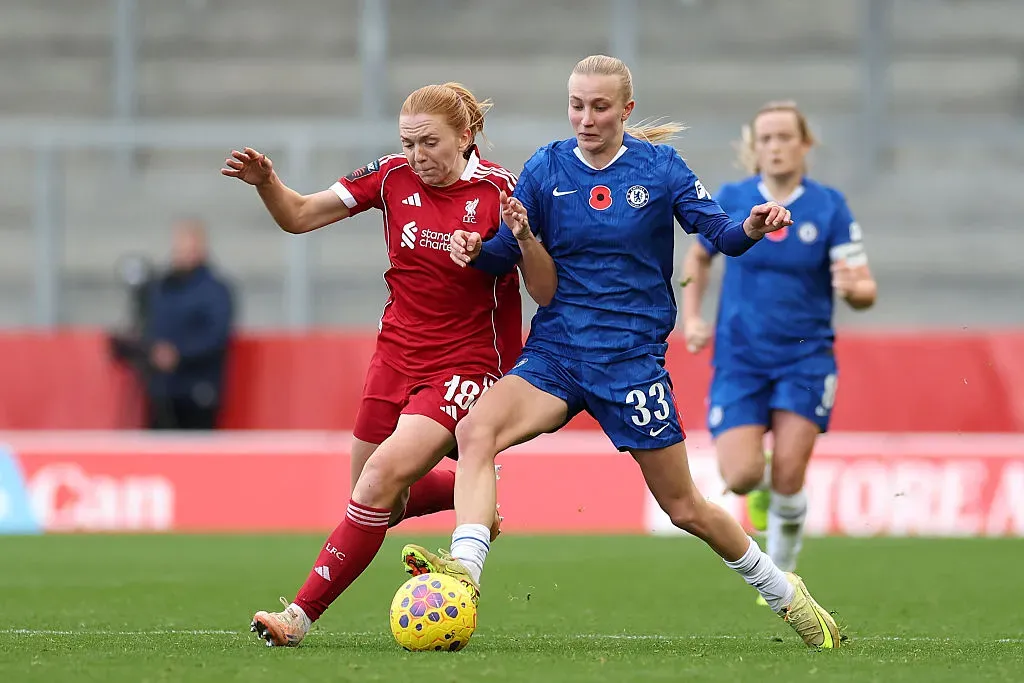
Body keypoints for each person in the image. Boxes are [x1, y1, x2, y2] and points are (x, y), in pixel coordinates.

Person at [402, 56, 843, 649]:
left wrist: (753, 227)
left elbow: (718, 234)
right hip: (557, 354)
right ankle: (465, 579)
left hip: (630, 362)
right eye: (577, 104)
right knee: (476, 432)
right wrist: (473, 249)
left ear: (626, 111)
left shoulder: (660, 168)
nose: (585, 117)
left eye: (599, 106)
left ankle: (783, 591)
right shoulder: (546, 167)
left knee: (685, 507)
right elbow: (506, 251)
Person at [221, 82, 557, 647]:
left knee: (376, 481)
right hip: (395, 354)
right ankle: (472, 496)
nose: (417, 156)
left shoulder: (502, 191)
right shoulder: (391, 175)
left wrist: (519, 239)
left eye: (430, 143)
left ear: (466, 136)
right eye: (408, 143)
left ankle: (297, 617)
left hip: (468, 363)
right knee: (376, 497)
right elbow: (300, 216)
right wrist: (267, 184)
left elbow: (543, 289)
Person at [680, 101, 877, 598]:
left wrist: (853, 289)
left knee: (789, 471)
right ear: (755, 148)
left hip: (804, 359)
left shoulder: (829, 207)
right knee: (742, 476)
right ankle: (768, 504)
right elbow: (698, 257)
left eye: (784, 137)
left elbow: (864, 289)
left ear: (804, 144)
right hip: (741, 358)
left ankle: (785, 568)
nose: (774, 147)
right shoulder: (733, 197)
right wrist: (694, 314)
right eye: (765, 138)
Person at [141, 218, 234, 429]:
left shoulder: (215, 291)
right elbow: (150, 325)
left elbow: (215, 336)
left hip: (198, 390)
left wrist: (178, 354)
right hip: (161, 391)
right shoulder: (161, 287)